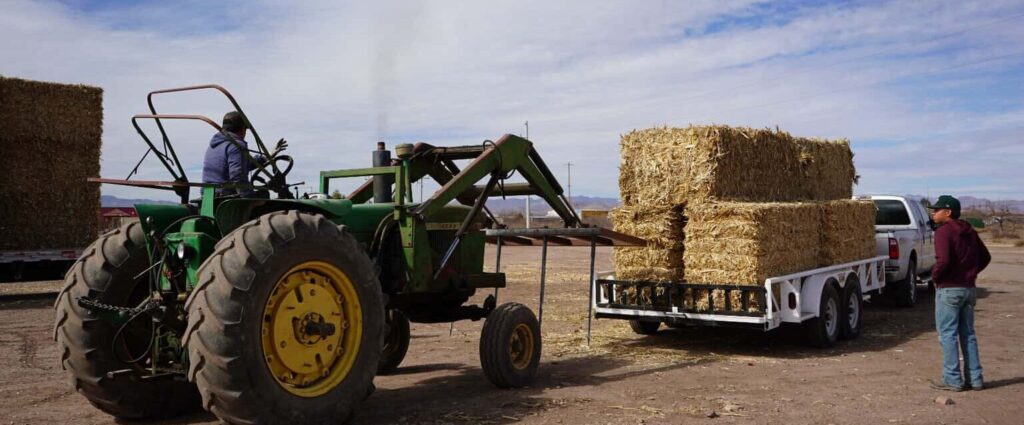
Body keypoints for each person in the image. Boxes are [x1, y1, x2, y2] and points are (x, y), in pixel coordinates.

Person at [927, 195, 990, 391]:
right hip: (969, 288)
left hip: (949, 289)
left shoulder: (943, 232)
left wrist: (935, 277)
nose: (933, 212)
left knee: (947, 334)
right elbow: (986, 257)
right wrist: (970, 274)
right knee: (968, 334)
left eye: (937, 210)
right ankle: (975, 378)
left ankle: (952, 379)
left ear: (948, 212)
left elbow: (943, 261)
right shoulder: (970, 231)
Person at [202, 111, 285, 196]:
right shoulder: (236, 145)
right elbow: (238, 175)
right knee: (264, 195)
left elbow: (244, 165)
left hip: (207, 195)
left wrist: (268, 155)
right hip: (225, 194)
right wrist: (248, 196)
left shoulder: (214, 146)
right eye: (245, 129)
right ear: (242, 129)